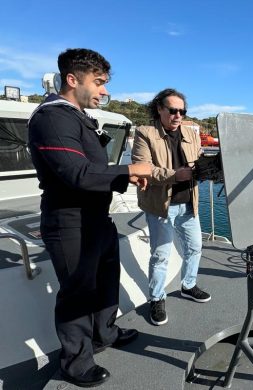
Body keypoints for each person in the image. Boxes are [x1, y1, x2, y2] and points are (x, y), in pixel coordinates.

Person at [28, 48, 152, 387]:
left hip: (96, 218)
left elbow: (94, 170)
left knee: (105, 280)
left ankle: (105, 333)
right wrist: (130, 168)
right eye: (98, 83)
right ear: (72, 80)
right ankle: (76, 362)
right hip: (70, 222)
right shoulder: (52, 118)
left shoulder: (76, 117)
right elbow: (76, 173)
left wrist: (125, 176)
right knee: (78, 292)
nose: (104, 91)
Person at [132, 88, 210, 327]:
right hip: (161, 207)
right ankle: (156, 298)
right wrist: (176, 175)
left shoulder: (190, 133)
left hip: (188, 203)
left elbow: (197, 159)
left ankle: (188, 285)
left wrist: (207, 169)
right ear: (159, 109)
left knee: (195, 248)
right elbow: (143, 169)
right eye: (173, 110)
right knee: (160, 255)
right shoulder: (145, 133)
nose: (178, 116)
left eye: (182, 111)